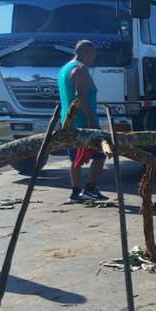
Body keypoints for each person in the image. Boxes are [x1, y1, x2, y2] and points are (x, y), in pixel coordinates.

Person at [59, 40, 108, 202]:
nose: (94, 58)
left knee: (75, 158)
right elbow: (82, 97)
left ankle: (75, 192)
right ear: (85, 52)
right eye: (93, 54)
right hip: (83, 121)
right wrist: (91, 120)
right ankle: (90, 189)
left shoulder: (64, 69)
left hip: (69, 121)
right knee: (101, 154)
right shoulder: (80, 69)